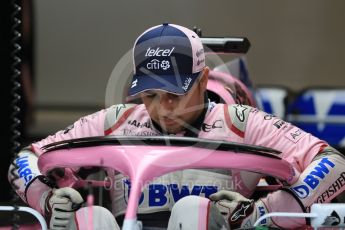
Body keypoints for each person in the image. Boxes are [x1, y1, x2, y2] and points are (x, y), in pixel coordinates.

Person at [8, 23, 345, 230]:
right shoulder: (117, 120)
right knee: (91, 221)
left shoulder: (240, 122)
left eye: (174, 94)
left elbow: (334, 163)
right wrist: (49, 200)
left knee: (192, 213)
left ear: (203, 81)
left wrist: (263, 210)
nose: (163, 107)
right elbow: (25, 159)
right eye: (151, 94)